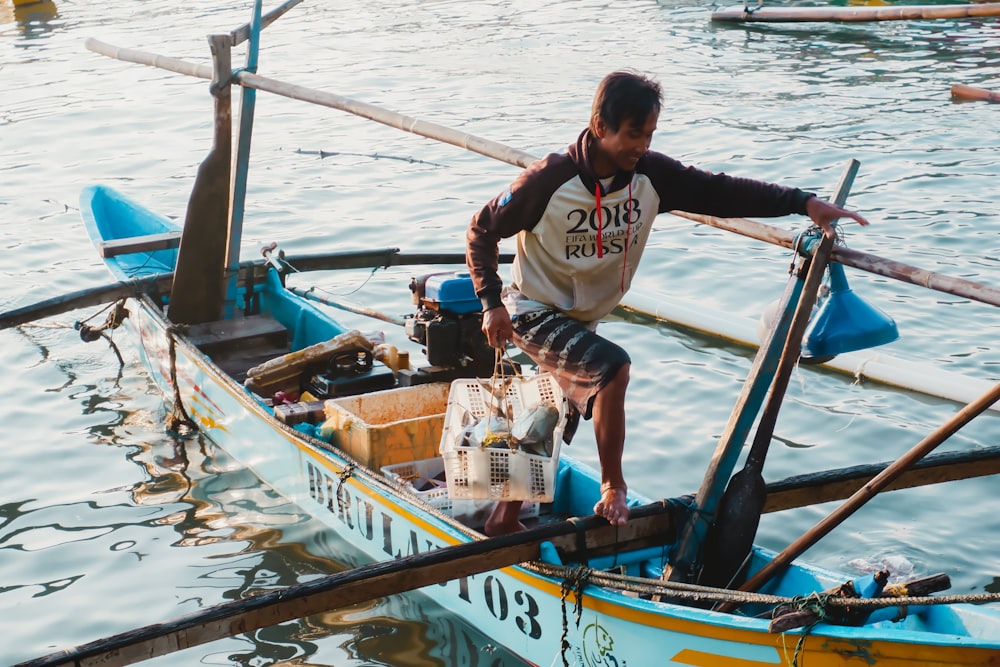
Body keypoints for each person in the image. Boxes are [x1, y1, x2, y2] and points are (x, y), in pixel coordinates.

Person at [465, 70, 870, 536]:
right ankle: (612, 486)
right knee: (612, 367)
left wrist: (803, 203)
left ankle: (503, 520)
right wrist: (490, 302)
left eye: (650, 134)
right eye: (633, 134)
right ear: (600, 126)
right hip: (531, 309)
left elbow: (719, 190)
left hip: (583, 317)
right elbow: (481, 229)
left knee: (552, 415)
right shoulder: (549, 179)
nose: (642, 145)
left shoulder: (650, 176)